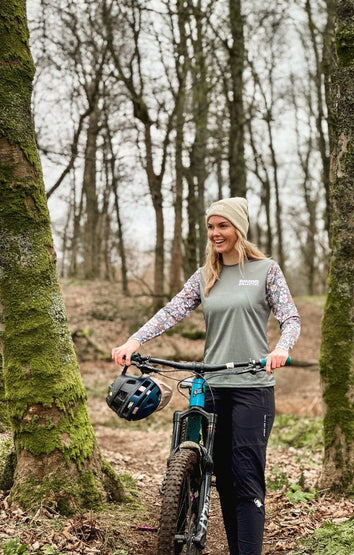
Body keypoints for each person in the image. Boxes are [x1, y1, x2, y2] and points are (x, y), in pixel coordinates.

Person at [112, 197, 300, 555]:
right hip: (213, 384)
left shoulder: (266, 270)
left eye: (223, 226)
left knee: (246, 480)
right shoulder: (205, 275)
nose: (215, 233)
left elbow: (290, 317)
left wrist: (281, 349)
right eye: (211, 227)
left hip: (252, 386)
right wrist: (134, 340)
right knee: (224, 481)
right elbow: (173, 311)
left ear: (238, 229)